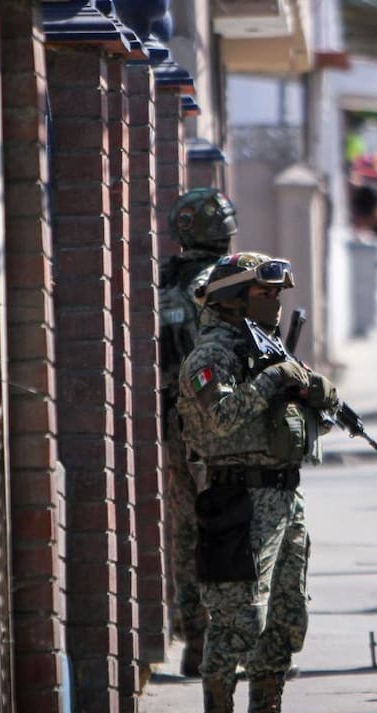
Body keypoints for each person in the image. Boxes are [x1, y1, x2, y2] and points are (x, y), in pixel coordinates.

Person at [176, 252, 338, 713]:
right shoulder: (212, 354)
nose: (275, 302)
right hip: (239, 500)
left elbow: (316, 422)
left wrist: (315, 393)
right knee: (237, 617)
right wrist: (273, 381)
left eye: (277, 294)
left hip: (286, 497)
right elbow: (221, 417)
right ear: (234, 299)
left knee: (288, 615)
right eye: (264, 294)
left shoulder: (265, 350)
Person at [159, 187, 239, 677]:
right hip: (221, 419)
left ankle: (196, 640)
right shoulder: (226, 284)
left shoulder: (165, 284)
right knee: (230, 527)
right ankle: (231, 644)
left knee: (187, 529)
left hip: (176, 421)